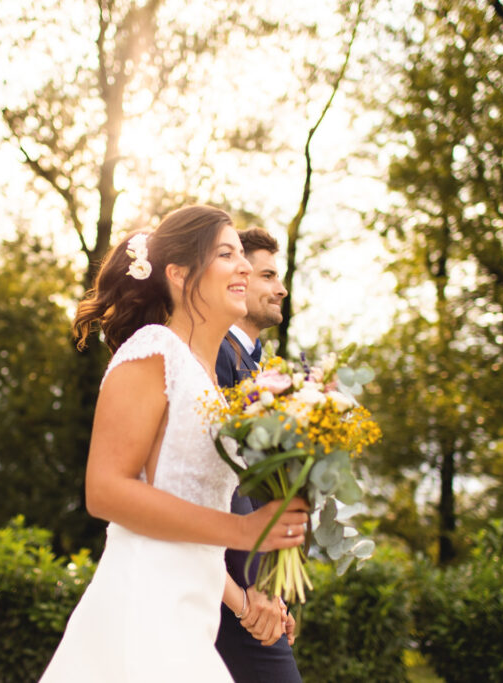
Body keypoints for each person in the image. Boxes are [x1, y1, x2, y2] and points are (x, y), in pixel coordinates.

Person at [39, 205, 309, 682]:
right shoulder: (153, 350)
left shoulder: (211, 386)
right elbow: (105, 491)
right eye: (227, 254)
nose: (244, 265)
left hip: (192, 615)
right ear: (180, 274)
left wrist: (246, 595)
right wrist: (243, 532)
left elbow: (188, 519)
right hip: (144, 610)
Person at [214, 228, 303, 683]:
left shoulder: (260, 366)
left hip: (255, 583)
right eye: (268, 275)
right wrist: (253, 590)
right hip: (232, 582)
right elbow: (227, 481)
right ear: (239, 279)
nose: (281, 288)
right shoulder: (219, 357)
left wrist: (279, 589)